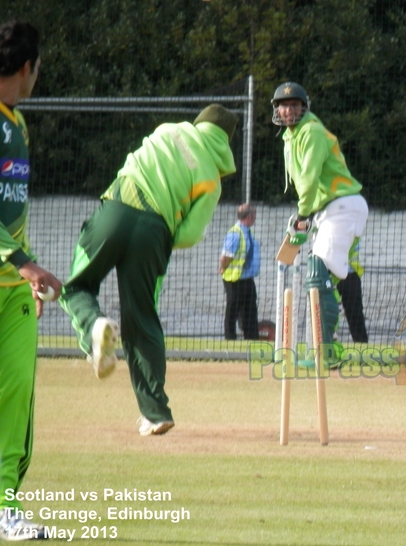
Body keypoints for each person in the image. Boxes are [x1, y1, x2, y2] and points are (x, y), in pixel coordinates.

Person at [59, 104, 238, 436]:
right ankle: (156, 412)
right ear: (226, 141)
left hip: (116, 210)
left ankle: (93, 327)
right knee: (142, 316)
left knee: (75, 287)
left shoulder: (168, 129)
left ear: (199, 124)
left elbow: (132, 164)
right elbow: (192, 234)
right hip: (156, 233)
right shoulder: (212, 179)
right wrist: (162, 232)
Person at [1, 19, 61, 541]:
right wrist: (23, 261)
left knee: (16, 398)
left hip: (12, 290)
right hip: (11, 270)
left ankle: (5, 507)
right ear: (28, 68)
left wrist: (27, 271)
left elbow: (11, 213)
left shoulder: (17, 124)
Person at [271, 82, 368, 366]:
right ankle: (334, 348)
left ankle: (325, 353)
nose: (289, 110)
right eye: (283, 105)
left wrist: (302, 216)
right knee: (330, 275)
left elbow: (310, 177)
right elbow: (307, 185)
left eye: (294, 105)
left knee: (318, 271)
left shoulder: (311, 131)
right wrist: (306, 216)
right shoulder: (291, 136)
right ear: (277, 110)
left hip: (342, 206)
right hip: (330, 210)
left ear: (304, 107)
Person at [219, 203, 260, 341]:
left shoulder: (246, 232)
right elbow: (226, 256)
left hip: (247, 278)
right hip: (234, 280)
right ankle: (230, 340)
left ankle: (252, 339)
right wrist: (223, 267)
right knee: (232, 311)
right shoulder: (235, 234)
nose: (255, 218)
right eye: (254, 215)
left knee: (250, 310)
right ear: (249, 216)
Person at [334, 238, 368, 343]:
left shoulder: (355, 223)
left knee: (356, 315)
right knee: (327, 314)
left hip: (350, 273)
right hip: (330, 272)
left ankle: (362, 349)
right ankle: (325, 346)